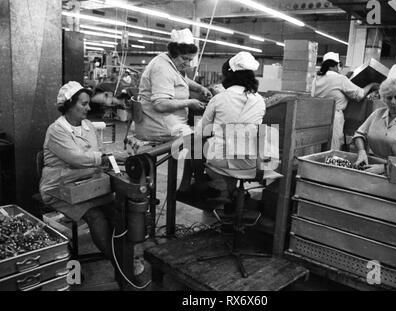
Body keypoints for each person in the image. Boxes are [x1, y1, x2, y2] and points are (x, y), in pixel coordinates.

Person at [136, 28, 219, 198]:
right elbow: (159, 104)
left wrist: (200, 88)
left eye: (190, 60)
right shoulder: (162, 68)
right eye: (185, 59)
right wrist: (191, 102)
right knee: (198, 141)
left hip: (168, 120)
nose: (187, 64)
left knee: (195, 138)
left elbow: (182, 78)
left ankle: (185, 185)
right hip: (158, 123)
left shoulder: (169, 62)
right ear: (174, 52)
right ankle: (198, 184)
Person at [39, 81, 116, 265]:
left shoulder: (88, 125)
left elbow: (95, 153)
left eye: (89, 103)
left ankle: (125, 254)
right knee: (95, 215)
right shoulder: (56, 130)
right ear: (69, 105)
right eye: (84, 104)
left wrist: (112, 164)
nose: (88, 108)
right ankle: (119, 263)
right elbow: (77, 158)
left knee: (117, 209)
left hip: (86, 185)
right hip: (58, 189)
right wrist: (105, 158)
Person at [199, 51, 265, 199]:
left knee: (194, 145)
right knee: (236, 147)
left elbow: (202, 130)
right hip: (252, 162)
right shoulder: (260, 100)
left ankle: (198, 186)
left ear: (228, 76)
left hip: (224, 160)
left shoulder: (220, 99)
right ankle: (232, 192)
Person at [311, 52, 379, 150]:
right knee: (333, 148)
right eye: (338, 65)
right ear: (332, 66)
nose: (339, 68)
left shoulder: (316, 79)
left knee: (319, 146)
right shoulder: (340, 79)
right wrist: (372, 85)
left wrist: (346, 78)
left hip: (317, 117)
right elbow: (359, 95)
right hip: (334, 118)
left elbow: (332, 89)